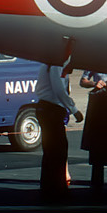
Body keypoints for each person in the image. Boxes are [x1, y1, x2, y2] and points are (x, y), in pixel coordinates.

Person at [34, 58, 82, 202]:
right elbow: (59, 89)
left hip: (48, 108)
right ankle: (56, 189)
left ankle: (50, 187)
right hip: (52, 109)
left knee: (51, 150)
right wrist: (74, 109)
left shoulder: (49, 64)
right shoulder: (56, 65)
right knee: (58, 150)